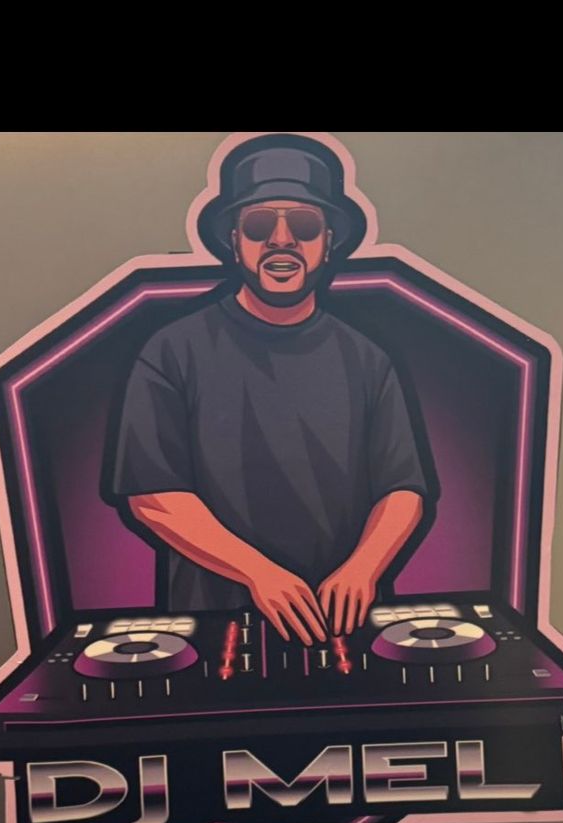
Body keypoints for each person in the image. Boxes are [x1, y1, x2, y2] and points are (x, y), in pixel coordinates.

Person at [103, 134, 432, 646]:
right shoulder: (172, 349)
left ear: (328, 242)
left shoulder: (368, 359)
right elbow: (152, 494)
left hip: (345, 627)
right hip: (212, 629)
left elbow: (402, 489)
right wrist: (259, 574)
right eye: (260, 225)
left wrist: (363, 568)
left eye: (303, 225)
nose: (282, 240)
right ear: (234, 240)